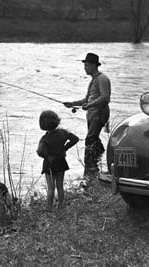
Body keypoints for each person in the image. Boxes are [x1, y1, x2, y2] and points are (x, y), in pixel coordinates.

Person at [63, 52, 111, 180]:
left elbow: (105, 98)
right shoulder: (93, 80)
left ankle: (89, 171)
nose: (85, 67)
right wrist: (72, 103)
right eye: (84, 65)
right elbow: (87, 99)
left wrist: (89, 105)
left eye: (87, 65)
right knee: (94, 139)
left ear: (95, 65)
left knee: (90, 140)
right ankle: (99, 160)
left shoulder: (102, 79)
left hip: (99, 114)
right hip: (92, 114)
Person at [37, 110, 79, 209]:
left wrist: (47, 156)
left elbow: (39, 151)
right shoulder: (63, 132)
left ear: (42, 124)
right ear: (56, 121)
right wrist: (65, 148)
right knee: (60, 186)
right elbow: (75, 139)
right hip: (61, 161)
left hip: (50, 163)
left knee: (51, 188)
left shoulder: (44, 139)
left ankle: (49, 207)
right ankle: (60, 206)